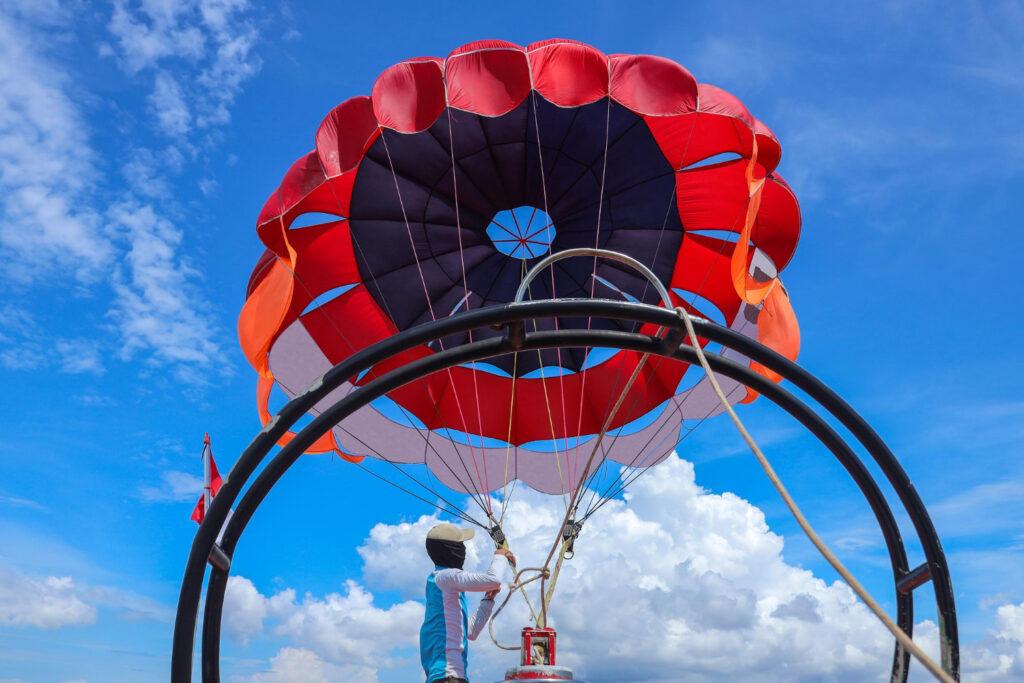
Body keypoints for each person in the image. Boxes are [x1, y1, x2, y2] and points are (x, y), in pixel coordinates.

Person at [420, 523, 515, 683]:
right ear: (452, 549)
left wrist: (487, 600)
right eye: (461, 545)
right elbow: (493, 579)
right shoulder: (445, 577)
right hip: (448, 677)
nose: (464, 549)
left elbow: (470, 632)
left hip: (449, 677)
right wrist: (500, 554)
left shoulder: (440, 584)